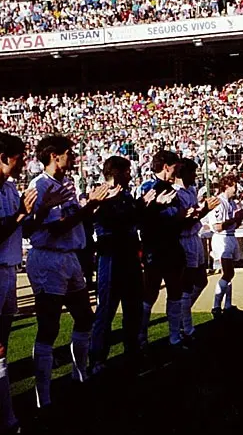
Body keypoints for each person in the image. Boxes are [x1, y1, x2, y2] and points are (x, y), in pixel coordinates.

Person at [26, 135, 113, 410]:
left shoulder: (65, 184)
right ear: (55, 156)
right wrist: (90, 207)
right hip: (49, 259)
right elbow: (56, 227)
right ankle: (44, 395)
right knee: (49, 326)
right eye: (69, 153)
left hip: (69, 257)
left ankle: (79, 373)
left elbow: (73, 219)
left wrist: (90, 206)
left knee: (84, 317)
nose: (73, 158)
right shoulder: (40, 186)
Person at [0, 133, 69, 434]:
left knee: (1, 348)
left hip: (8, 271)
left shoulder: (10, 190)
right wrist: (19, 216)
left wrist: (41, 209)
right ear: (4, 158)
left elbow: (25, 228)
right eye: (18, 157)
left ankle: (8, 417)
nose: (23, 163)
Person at [90, 156, 151, 375]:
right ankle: (97, 358)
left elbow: (133, 218)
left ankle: (132, 351)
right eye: (126, 172)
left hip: (129, 256)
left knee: (133, 307)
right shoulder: (101, 194)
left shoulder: (126, 195)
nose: (130, 175)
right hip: (111, 257)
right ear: (115, 173)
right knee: (106, 309)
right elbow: (104, 221)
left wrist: (141, 206)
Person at [138, 150, 188, 350]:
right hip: (155, 248)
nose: (177, 171)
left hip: (172, 246)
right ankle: (141, 336)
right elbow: (142, 217)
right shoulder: (148, 187)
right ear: (166, 166)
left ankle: (174, 336)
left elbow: (176, 216)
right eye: (175, 167)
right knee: (150, 292)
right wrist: (157, 208)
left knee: (175, 290)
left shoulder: (172, 189)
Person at [174, 159, 220, 339]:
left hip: (196, 237)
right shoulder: (176, 193)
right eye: (192, 172)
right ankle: (186, 327)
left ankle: (180, 318)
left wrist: (202, 211)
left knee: (201, 281)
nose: (195, 176)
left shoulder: (191, 191)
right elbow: (184, 222)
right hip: (185, 240)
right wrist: (205, 210)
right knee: (187, 285)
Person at [207, 175, 243, 318]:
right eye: (234, 186)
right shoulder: (219, 202)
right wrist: (235, 219)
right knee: (228, 272)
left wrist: (239, 218)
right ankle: (216, 306)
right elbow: (217, 226)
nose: (236, 190)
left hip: (230, 236)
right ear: (227, 186)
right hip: (222, 239)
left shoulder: (231, 203)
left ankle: (228, 305)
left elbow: (234, 223)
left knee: (230, 273)